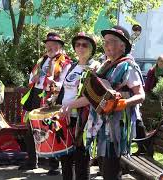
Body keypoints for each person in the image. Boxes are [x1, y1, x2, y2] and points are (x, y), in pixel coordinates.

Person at [60, 26, 145, 180]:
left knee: (111, 171)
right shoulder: (105, 66)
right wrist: (70, 104)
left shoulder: (129, 66)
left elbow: (141, 95)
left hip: (116, 128)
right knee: (105, 169)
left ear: (122, 46)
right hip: (100, 126)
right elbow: (94, 96)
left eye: (111, 41)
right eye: (105, 42)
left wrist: (123, 103)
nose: (106, 45)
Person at [19, 32, 71, 175]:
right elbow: (31, 78)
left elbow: (66, 83)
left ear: (60, 47)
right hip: (35, 95)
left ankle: (54, 166)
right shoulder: (42, 61)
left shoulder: (65, 62)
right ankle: (32, 161)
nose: (50, 48)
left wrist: (55, 83)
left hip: (51, 96)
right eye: (48, 45)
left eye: (54, 45)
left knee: (50, 128)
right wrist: (34, 78)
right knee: (31, 128)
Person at [58, 32, 100, 180]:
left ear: (92, 48)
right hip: (66, 118)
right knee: (65, 158)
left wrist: (70, 106)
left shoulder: (95, 67)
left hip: (83, 119)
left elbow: (93, 96)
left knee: (81, 159)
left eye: (85, 45)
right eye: (77, 44)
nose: (80, 47)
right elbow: (66, 90)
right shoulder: (72, 66)